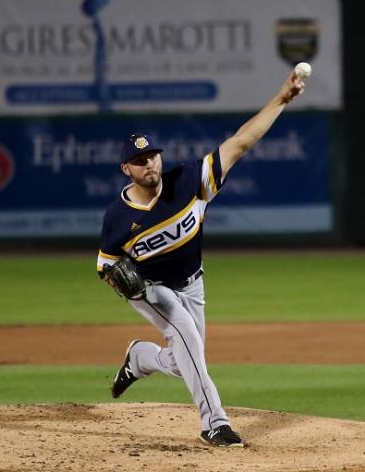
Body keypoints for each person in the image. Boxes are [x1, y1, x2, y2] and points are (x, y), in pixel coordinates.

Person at [96, 69, 305, 447]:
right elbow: (105, 264)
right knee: (186, 335)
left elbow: (241, 142)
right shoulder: (118, 216)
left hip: (193, 283)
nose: (150, 164)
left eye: (153, 156)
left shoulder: (190, 181)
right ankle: (215, 423)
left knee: (183, 359)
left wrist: (281, 99)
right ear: (126, 169)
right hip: (151, 289)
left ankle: (141, 358)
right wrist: (118, 279)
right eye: (140, 160)